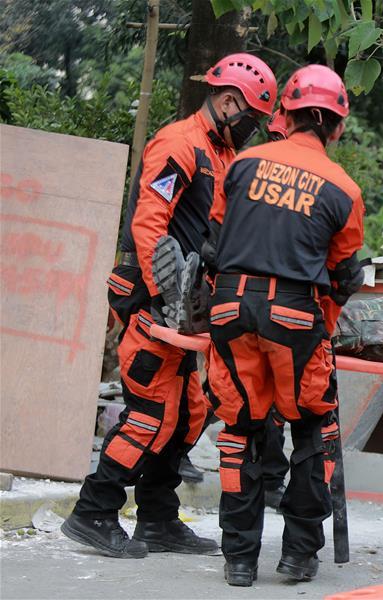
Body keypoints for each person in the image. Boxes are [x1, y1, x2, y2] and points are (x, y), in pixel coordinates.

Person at [61, 53, 277, 559]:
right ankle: (93, 510)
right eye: (250, 119)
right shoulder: (180, 144)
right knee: (151, 413)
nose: (252, 130)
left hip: (188, 309)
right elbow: (148, 223)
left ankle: (157, 518)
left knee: (189, 412)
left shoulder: (220, 153)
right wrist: (164, 298)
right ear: (228, 102)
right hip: (155, 303)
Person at [205, 64, 364, 587]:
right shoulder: (344, 189)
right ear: (336, 126)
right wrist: (323, 330)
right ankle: (298, 554)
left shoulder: (242, 164)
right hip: (295, 315)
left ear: (284, 114)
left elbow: (214, 243)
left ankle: (239, 561)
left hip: (229, 309)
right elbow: (342, 278)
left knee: (241, 429)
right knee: (314, 428)